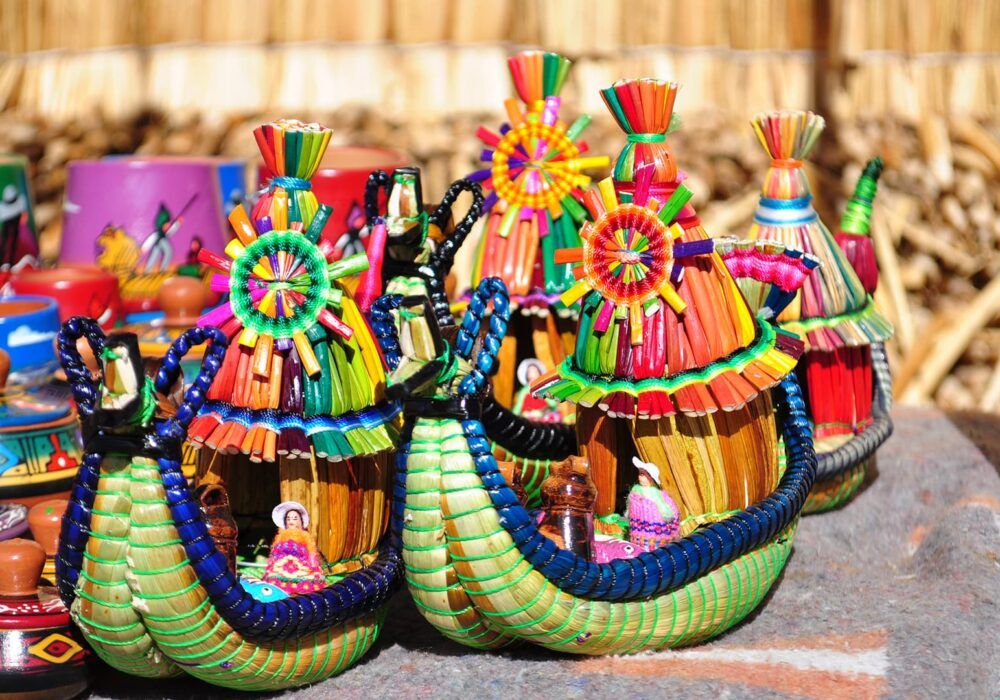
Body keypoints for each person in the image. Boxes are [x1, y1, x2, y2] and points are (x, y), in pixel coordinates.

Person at [261, 501, 327, 595]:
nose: (291, 521)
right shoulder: (280, 536)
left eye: (295, 518)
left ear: (301, 521)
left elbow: (311, 553)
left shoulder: (306, 537)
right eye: (288, 519)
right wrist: (271, 563)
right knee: (273, 580)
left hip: (301, 568)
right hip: (280, 569)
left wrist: (313, 565)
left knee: (308, 581)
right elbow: (274, 553)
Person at [626, 457, 681, 551]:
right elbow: (629, 511)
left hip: (655, 537)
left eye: (643, 475)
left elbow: (668, 512)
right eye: (640, 474)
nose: (640, 477)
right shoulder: (635, 492)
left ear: (651, 478)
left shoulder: (657, 495)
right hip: (639, 535)